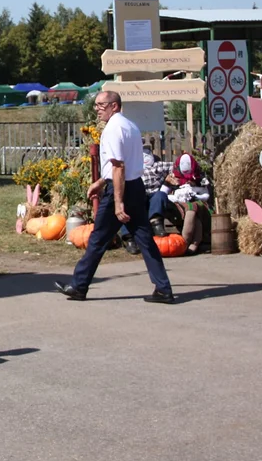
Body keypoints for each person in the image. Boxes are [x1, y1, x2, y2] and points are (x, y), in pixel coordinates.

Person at [54, 91, 175, 304]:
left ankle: (79, 286)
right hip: (135, 187)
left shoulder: (112, 129)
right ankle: (164, 288)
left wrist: (118, 202)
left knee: (98, 238)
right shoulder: (130, 126)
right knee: (145, 239)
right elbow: (122, 164)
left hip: (120, 190)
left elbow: (119, 167)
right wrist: (100, 182)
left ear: (115, 106)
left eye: (102, 105)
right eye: (96, 105)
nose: (97, 109)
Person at [118, 147, 173, 255]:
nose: (145, 157)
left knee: (160, 195)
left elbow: (176, 166)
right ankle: (129, 238)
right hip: (138, 195)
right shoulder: (131, 168)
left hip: (154, 194)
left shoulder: (158, 166)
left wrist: (171, 177)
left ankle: (156, 223)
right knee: (125, 204)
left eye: (148, 154)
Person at [158, 153, 211, 253]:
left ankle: (187, 243)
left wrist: (196, 196)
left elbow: (206, 195)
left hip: (197, 202)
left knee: (193, 208)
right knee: (192, 210)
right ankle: (190, 243)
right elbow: (162, 193)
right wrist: (176, 198)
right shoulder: (173, 177)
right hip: (178, 203)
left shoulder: (199, 178)